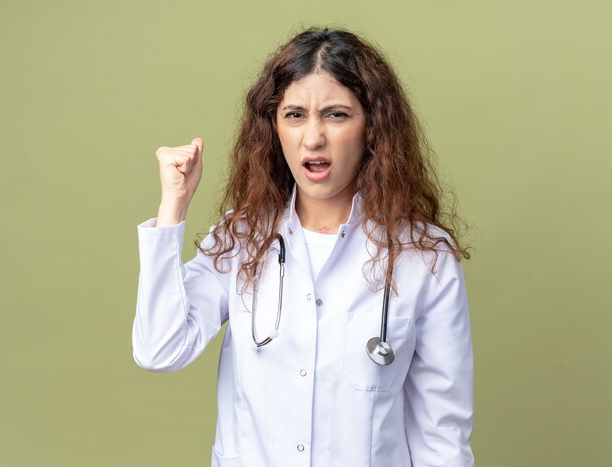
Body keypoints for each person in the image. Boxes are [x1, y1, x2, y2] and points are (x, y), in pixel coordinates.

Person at [132, 27, 475, 467]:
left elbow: (441, 436)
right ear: (273, 127)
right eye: (294, 115)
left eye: (336, 115)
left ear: (373, 128)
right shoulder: (241, 240)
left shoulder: (425, 258)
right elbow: (160, 349)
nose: (312, 138)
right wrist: (173, 206)